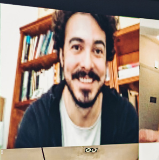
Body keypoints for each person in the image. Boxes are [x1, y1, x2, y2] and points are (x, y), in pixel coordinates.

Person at [15, 11, 138, 147]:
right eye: (76, 47)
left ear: (106, 61)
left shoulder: (126, 117)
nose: (87, 64)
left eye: (97, 51)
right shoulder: (35, 120)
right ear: (61, 55)